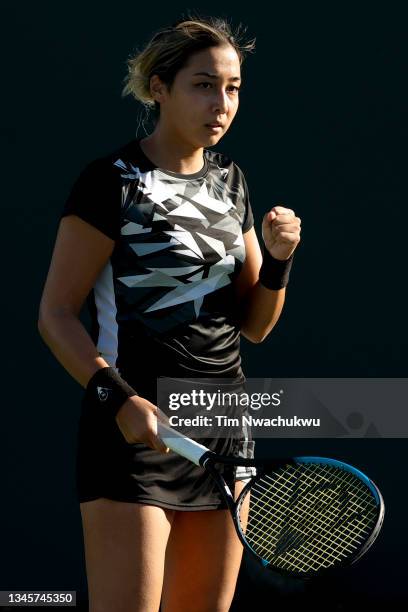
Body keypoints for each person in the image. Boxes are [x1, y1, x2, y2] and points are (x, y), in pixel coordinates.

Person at [38, 16, 301, 612]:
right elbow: (55, 315)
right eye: (204, 85)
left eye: (233, 87)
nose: (222, 103)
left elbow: (254, 324)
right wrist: (119, 399)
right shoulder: (110, 183)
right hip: (135, 431)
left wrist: (280, 260)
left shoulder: (231, 182)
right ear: (160, 87)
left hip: (224, 429)